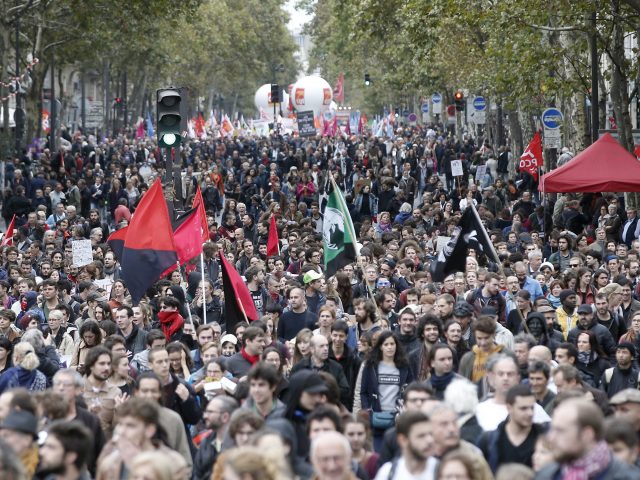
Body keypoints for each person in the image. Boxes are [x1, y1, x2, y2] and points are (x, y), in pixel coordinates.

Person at [537, 398, 637, 479]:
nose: (551, 438)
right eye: (552, 429)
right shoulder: (547, 474)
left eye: (560, 431)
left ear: (587, 434)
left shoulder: (629, 477)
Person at [95, 398, 188, 480]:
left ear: (149, 430)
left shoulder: (173, 464)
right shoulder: (109, 463)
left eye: (130, 426)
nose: (122, 431)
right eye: (120, 424)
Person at [361, 331, 414, 449]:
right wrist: (368, 410)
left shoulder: (404, 366)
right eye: (386, 344)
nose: (390, 347)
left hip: (397, 419)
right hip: (376, 418)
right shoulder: (371, 366)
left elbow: (411, 388)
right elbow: (363, 392)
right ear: (380, 347)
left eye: (392, 344)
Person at [477, 384, 545, 473]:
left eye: (532, 408)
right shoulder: (489, 441)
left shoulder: (544, 437)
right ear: (509, 408)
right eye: (523, 408)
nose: (530, 413)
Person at [475, 354, 550, 431]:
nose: (505, 378)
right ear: (491, 377)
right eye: (501, 374)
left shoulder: (534, 409)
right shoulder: (479, 411)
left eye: (510, 374)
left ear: (518, 378)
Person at [290, 334, 350, 406]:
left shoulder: (336, 367)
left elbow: (345, 391)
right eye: (321, 346)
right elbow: (291, 390)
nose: (325, 349)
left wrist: (325, 392)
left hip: (328, 408)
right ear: (312, 349)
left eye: (327, 345)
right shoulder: (299, 367)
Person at [375, 410, 437, 479]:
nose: (430, 440)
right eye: (421, 436)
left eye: (431, 434)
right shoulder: (387, 473)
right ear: (403, 440)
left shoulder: (442, 471)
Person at [193, 395, 238, 480]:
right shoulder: (206, 443)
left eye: (210, 412)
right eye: (206, 412)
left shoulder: (240, 444)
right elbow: (197, 474)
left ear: (225, 417)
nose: (205, 416)